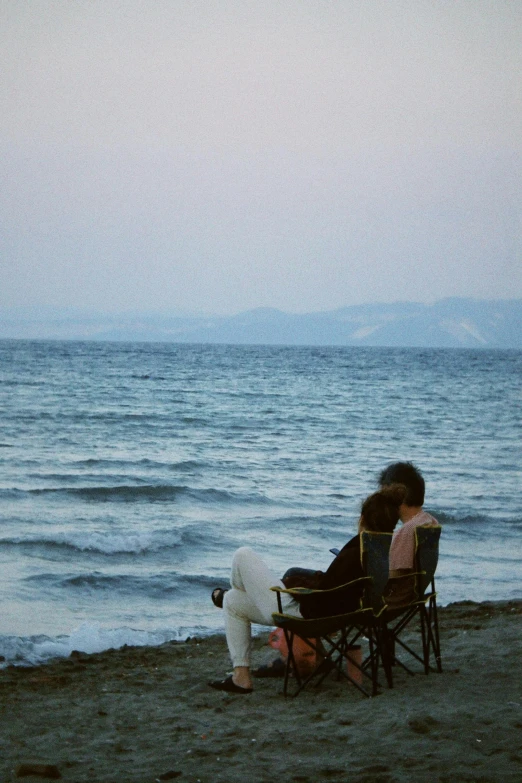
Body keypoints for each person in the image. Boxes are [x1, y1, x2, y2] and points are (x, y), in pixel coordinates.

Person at [208, 484, 407, 695]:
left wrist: (299, 590)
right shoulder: (377, 552)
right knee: (232, 601)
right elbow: (337, 589)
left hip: (305, 616)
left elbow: (327, 595)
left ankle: (240, 594)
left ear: (362, 518)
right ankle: (241, 677)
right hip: (332, 615)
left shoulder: (356, 551)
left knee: (242, 554)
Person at [379, 461, 439, 606]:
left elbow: (395, 576)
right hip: (414, 595)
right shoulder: (428, 521)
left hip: (392, 601)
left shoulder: (406, 532)